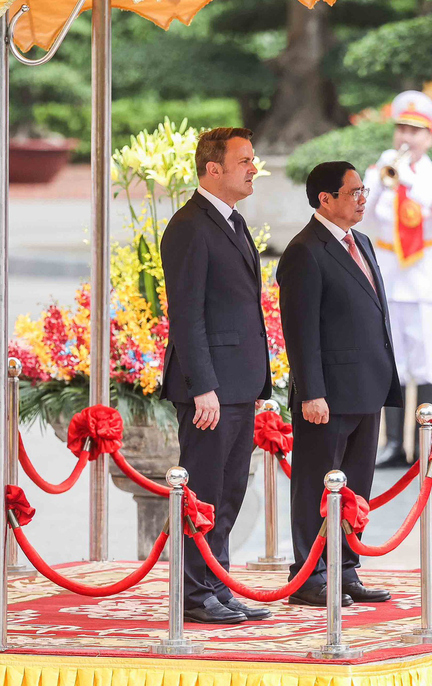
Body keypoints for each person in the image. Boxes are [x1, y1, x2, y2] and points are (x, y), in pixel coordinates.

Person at [159, 127, 273, 625]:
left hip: (239, 382)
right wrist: (202, 385)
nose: (254, 168)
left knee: (228, 492)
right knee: (203, 490)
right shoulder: (190, 225)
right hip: (209, 387)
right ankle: (194, 590)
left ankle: (217, 583)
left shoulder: (233, 222)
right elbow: (187, 314)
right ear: (213, 169)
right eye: (244, 160)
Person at [276, 161, 403, 606]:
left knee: (356, 485)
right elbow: (300, 330)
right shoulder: (304, 251)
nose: (362, 198)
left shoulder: (361, 242)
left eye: (362, 190)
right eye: (352, 192)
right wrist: (311, 392)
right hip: (326, 395)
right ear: (324, 199)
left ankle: (345, 567)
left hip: (367, 386)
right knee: (316, 482)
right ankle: (309, 575)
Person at [364, 91, 432, 469]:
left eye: (415, 131)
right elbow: (361, 215)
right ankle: (393, 443)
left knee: (427, 363)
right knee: (390, 364)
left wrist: (407, 177)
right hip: (389, 277)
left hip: (424, 279)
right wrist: (382, 180)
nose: (406, 137)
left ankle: (424, 444)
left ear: (430, 138)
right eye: (401, 129)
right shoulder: (379, 170)